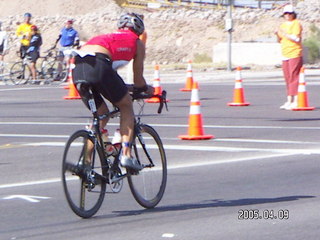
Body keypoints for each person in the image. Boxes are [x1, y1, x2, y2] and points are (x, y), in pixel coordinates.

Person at [72, 13, 153, 171]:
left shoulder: (108, 37)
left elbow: (109, 74)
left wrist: (126, 87)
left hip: (78, 68)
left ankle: (85, 162)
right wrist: (146, 89)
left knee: (102, 114)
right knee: (126, 105)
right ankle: (127, 155)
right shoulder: (137, 42)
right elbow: (139, 80)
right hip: (99, 64)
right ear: (139, 30)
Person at [275, 4, 303, 110]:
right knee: (287, 77)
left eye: (290, 13)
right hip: (285, 53)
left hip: (295, 53)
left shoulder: (296, 24)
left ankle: (295, 100)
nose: (288, 15)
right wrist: (277, 34)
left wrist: (285, 34)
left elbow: (296, 39)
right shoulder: (282, 26)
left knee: (293, 76)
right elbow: (280, 40)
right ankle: (289, 100)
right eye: (286, 13)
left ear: (293, 14)